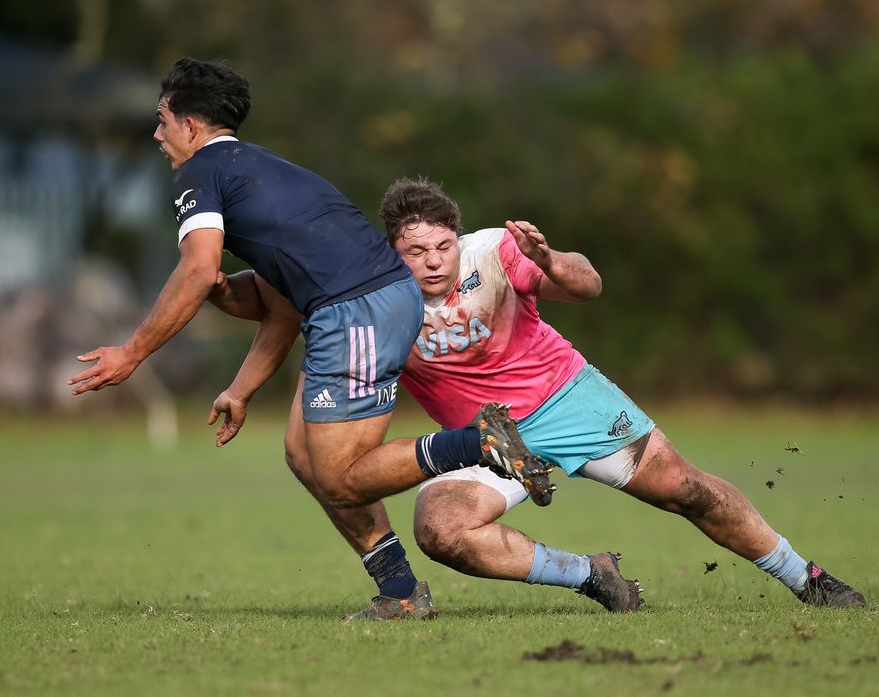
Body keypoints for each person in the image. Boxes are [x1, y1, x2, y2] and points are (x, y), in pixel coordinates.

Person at [217, 176, 866, 614]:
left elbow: (588, 285)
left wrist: (550, 261)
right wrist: (217, 288)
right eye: (416, 252)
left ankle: (805, 578)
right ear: (393, 252)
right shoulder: (375, 294)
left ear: (458, 239)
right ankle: (590, 574)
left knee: (685, 489)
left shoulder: (496, 252)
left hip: (566, 399)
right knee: (440, 531)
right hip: (487, 442)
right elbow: (272, 295)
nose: (434, 261)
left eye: (442, 246)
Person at [69, 58, 507, 617]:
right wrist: (242, 388)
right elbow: (280, 305)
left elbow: (199, 270)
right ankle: (399, 593)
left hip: (357, 310)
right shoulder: (261, 169)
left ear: (192, 126)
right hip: (360, 305)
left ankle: (479, 444)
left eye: (162, 121)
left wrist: (131, 353)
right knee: (303, 454)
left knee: (343, 479)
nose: (157, 134)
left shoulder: (199, 174)